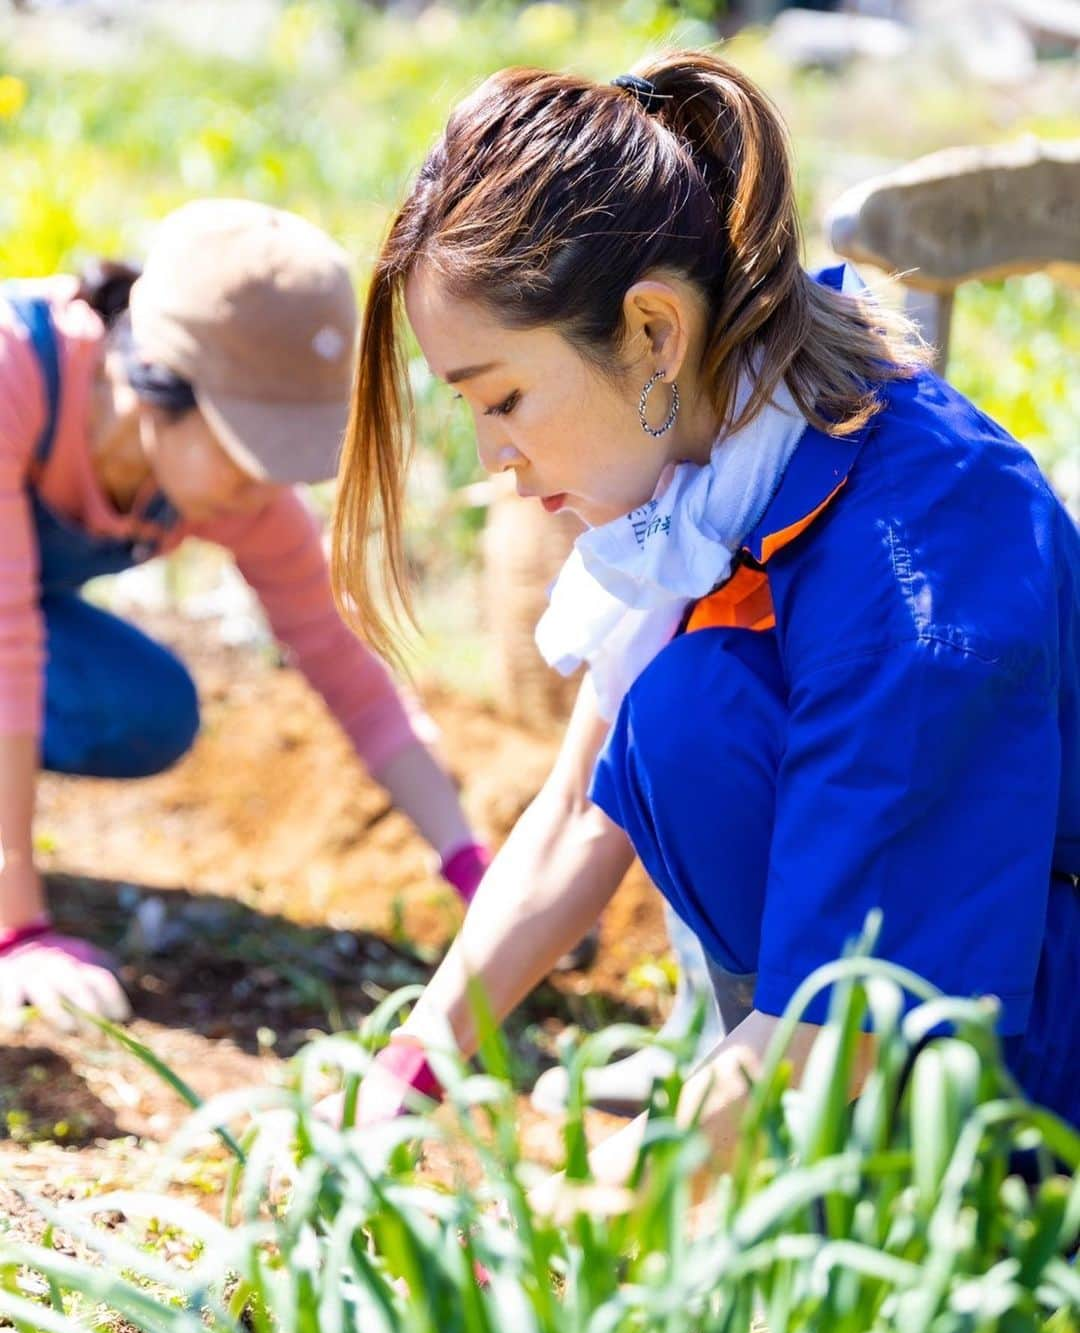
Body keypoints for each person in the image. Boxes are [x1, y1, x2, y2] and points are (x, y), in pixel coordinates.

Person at [327, 50, 1080, 1165]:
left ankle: (939, 1202)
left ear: (653, 334)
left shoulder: (917, 562)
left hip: (1031, 1033)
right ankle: (798, 1154)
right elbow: (582, 809)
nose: (493, 456)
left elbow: (848, 1018)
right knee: (685, 717)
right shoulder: (714, 474)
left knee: (696, 716)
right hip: (884, 1021)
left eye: (505, 399)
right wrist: (415, 1065)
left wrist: (613, 1198)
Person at [0, 199, 489, 1032]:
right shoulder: (18, 374)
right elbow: (9, 654)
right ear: (158, 379)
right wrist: (20, 930)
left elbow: (349, 672)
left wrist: (474, 869)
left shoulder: (230, 487)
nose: (267, 489)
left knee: (143, 709)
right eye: (249, 450)